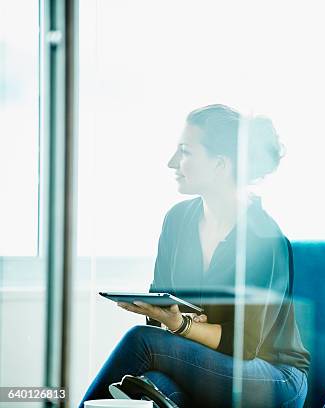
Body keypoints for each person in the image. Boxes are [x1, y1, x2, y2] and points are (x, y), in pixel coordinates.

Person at [78, 104, 311, 408]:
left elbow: (244, 344)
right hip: (207, 363)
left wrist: (182, 326)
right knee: (153, 386)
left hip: (273, 378)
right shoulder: (177, 220)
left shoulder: (262, 237)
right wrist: (168, 316)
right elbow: (159, 306)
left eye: (185, 152)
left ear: (220, 165)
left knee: (141, 342)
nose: (171, 162)